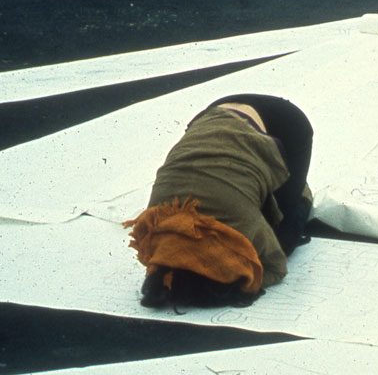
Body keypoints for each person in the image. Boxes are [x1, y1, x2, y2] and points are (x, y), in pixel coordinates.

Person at [125, 95, 314, 308]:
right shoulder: (154, 224)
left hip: (285, 123)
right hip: (211, 115)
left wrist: (242, 284)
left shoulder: (241, 222)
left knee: (284, 235)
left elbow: (275, 265)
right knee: (258, 209)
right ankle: (269, 180)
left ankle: (303, 192)